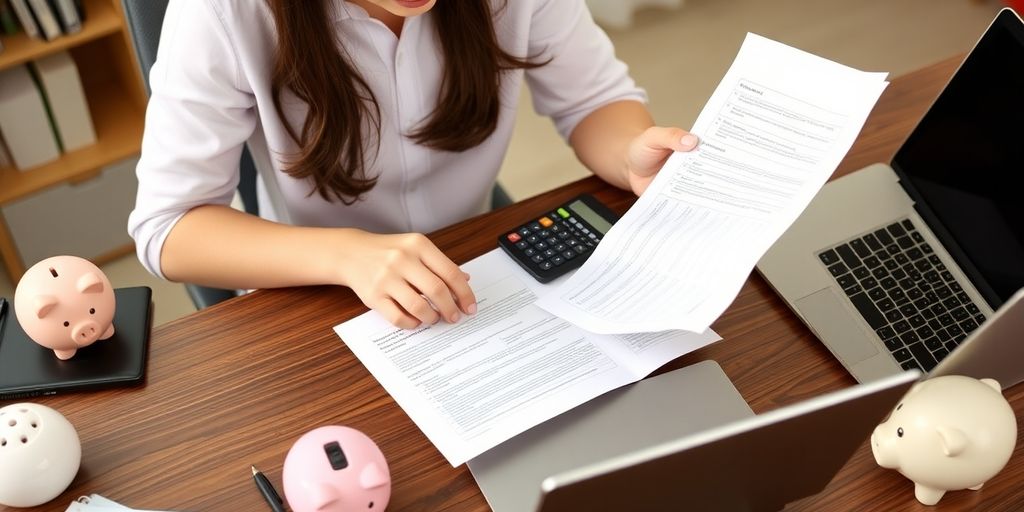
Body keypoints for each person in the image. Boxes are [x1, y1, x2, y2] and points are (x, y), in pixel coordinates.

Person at [128, 0, 699, 330]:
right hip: (316, 285)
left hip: (469, 267)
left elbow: (592, 99)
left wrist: (628, 150)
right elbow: (169, 227)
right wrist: (347, 254)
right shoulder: (221, 11)